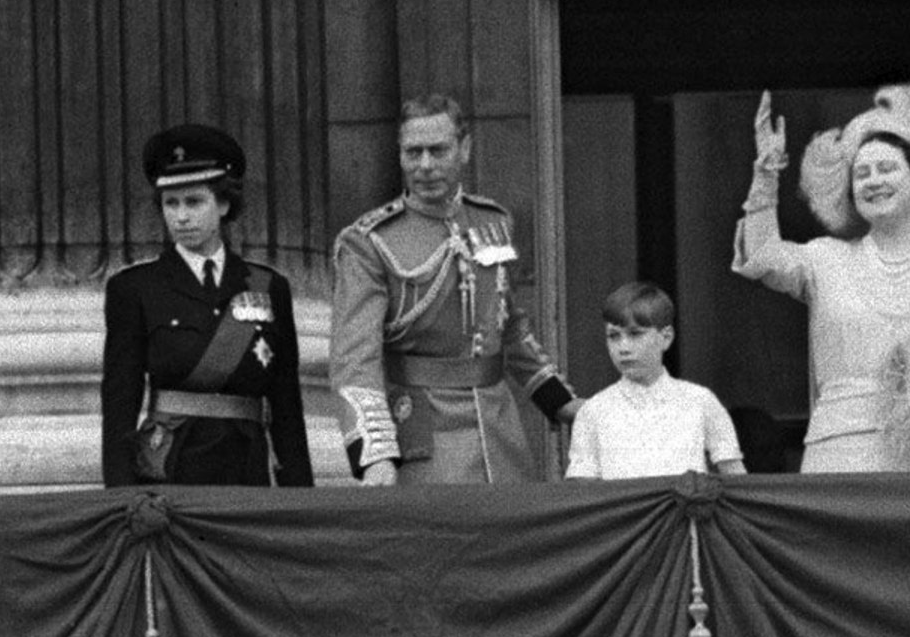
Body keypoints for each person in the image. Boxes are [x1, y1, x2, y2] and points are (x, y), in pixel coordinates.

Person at [733, 86, 910, 472]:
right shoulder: (825, 259)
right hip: (840, 450)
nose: (872, 181)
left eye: (887, 169)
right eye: (861, 173)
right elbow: (762, 256)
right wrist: (765, 176)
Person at [331, 94, 579, 485]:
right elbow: (354, 359)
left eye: (438, 150)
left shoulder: (493, 222)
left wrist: (560, 403)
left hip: (500, 430)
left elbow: (509, 328)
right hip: (423, 433)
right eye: (413, 152)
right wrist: (374, 454)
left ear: (464, 149)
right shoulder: (368, 241)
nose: (425, 165)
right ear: (399, 155)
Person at [101, 124, 313, 486]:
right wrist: (121, 500)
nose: (181, 217)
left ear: (224, 204)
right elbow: (120, 405)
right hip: (169, 476)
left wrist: (301, 502)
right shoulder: (134, 289)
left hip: (246, 474)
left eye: (194, 202)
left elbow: (286, 406)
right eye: (171, 203)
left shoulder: (269, 287)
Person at [564, 282, 745, 480]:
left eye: (635, 334)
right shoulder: (593, 412)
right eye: (614, 336)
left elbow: (736, 479)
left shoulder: (700, 401)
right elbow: (582, 491)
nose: (623, 347)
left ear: (666, 337)